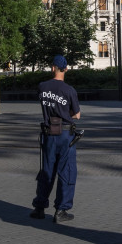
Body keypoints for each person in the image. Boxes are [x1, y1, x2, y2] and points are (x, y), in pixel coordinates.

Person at [30, 55, 79, 222]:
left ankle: (39, 207)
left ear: (53, 68)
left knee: (47, 171)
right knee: (66, 171)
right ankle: (61, 210)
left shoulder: (42, 86)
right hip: (66, 135)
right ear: (66, 69)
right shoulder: (69, 90)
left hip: (49, 132)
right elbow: (76, 114)